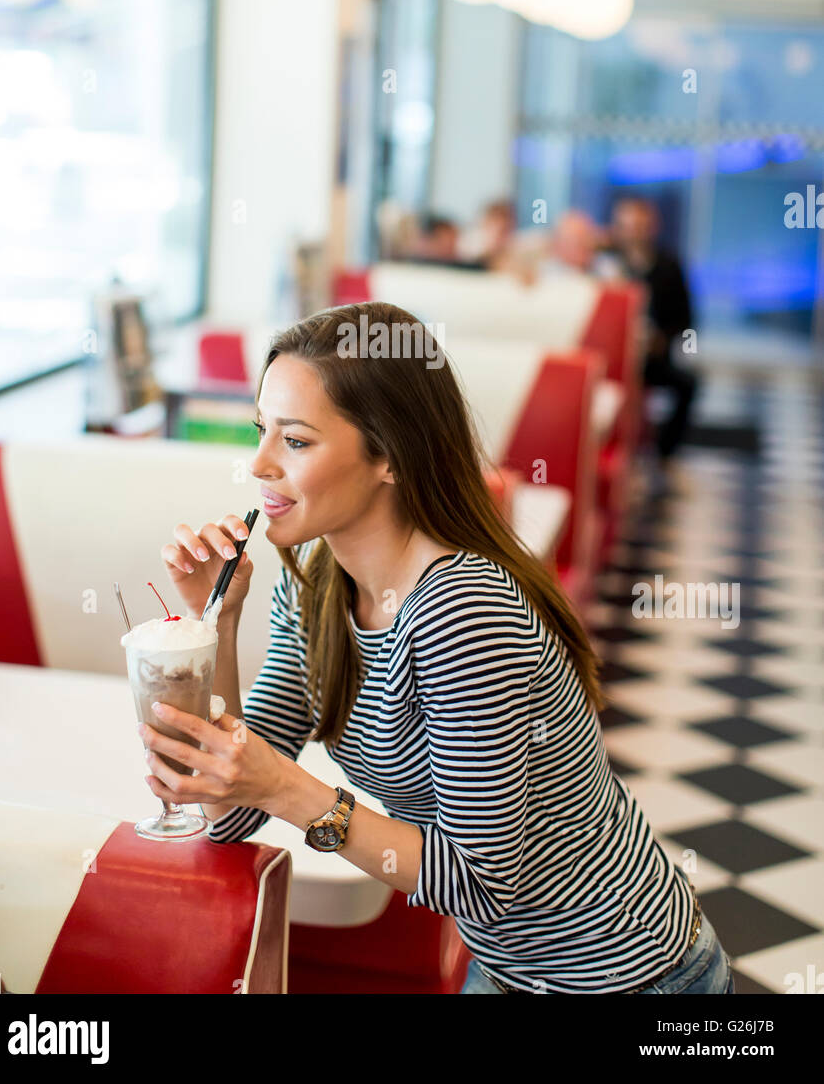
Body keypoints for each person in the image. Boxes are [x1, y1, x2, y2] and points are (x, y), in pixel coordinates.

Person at [144, 300, 734, 995]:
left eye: (296, 441)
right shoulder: (313, 586)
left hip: (629, 974)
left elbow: (479, 888)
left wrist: (284, 786)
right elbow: (232, 811)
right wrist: (216, 622)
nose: (259, 464)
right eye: (260, 432)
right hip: (513, 965)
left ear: (389, 456)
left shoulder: (461, 610)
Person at [610, 198, 698, 460]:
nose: (632, 233)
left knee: (688, 385)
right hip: (612, 361)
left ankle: (664, 454)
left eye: (639, 226)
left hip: (652, 358)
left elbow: (686, 320)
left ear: (651, 227)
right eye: (626, 226)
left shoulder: (670, 266)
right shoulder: (606, 264)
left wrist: (661, 340)